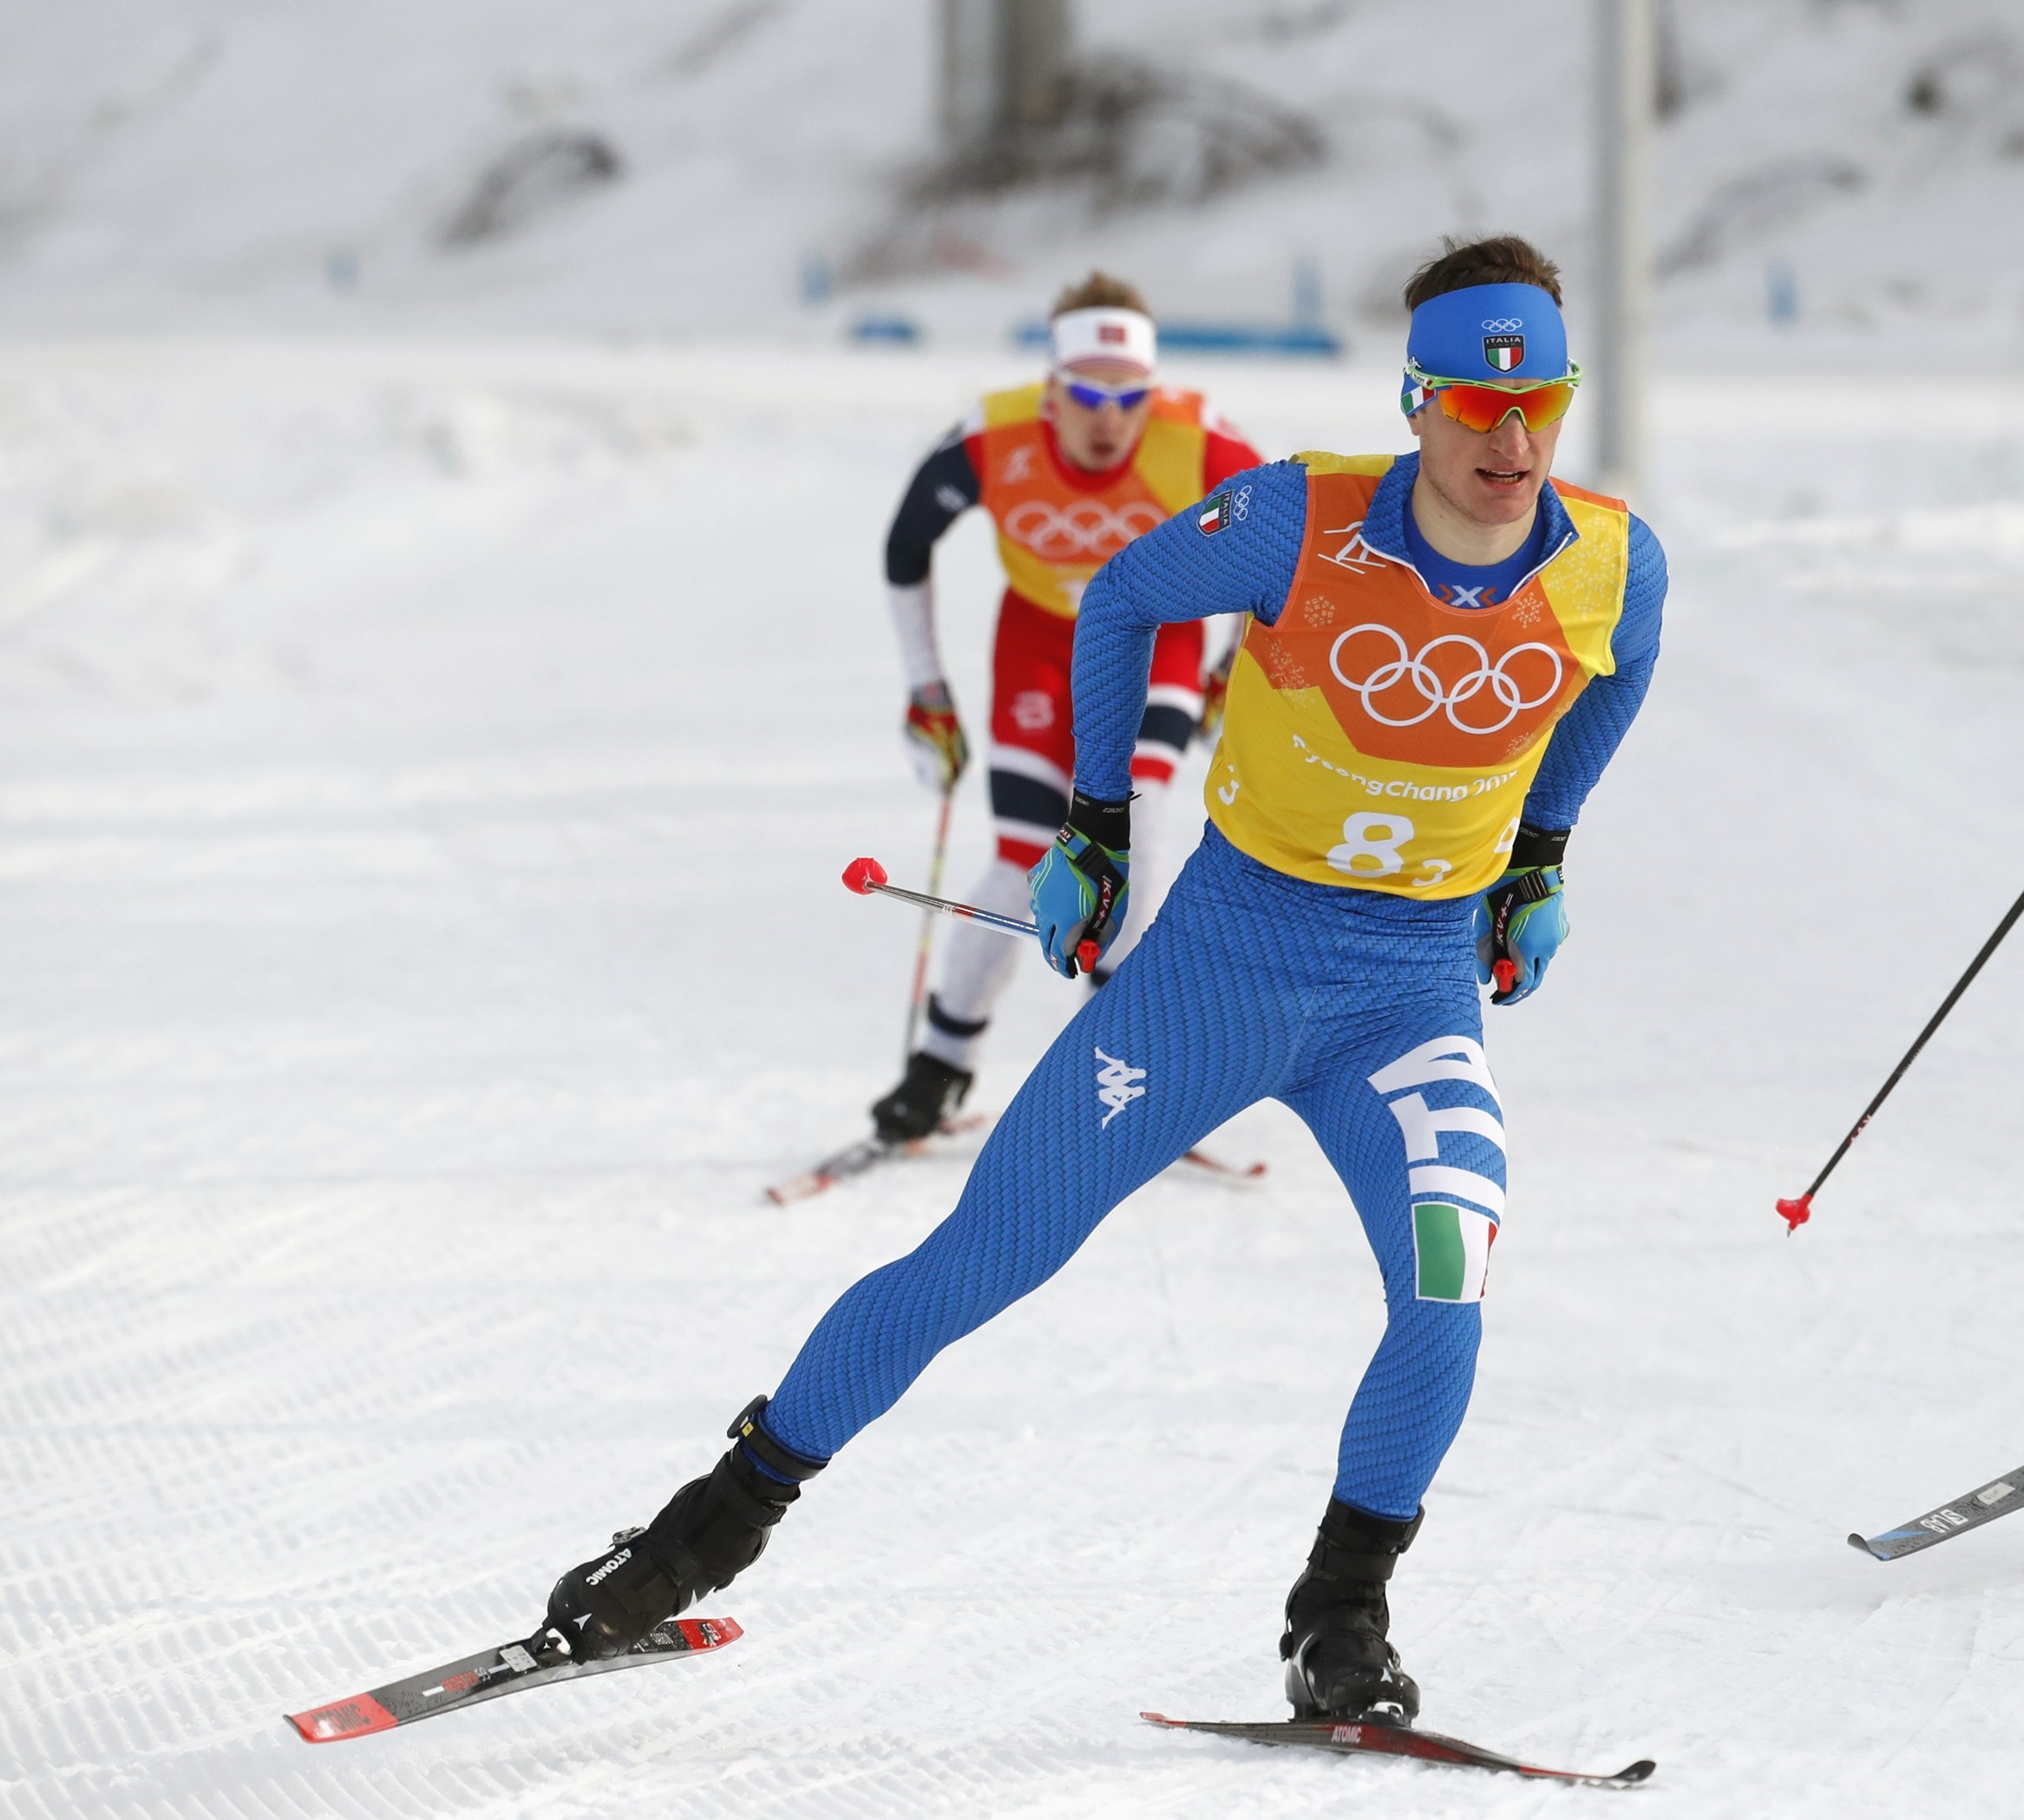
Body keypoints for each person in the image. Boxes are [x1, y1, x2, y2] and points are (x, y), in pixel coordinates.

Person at [541, 235, 1666, 1725]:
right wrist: (1092, 824)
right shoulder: (1299, 518)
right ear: (1418, 400)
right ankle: (708, 1522)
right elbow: (1125, 596)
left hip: (1410, 992)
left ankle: (1341, 1612)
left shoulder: (1610, 557)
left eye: (1540, 404)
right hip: (1220, 966)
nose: (1510, 439)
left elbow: (1625, 668)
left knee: (1446, 1293)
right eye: (1473, 403)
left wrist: (1541, 855)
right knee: (986, 1256)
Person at [871, 272, 1267, 1143]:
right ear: (1050, 389)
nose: (1106, 419)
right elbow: (905, 547)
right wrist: (925, 690)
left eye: (1127, 397)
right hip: (1041, 647)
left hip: (1152, 640)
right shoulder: (991, 435)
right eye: (1084, 395)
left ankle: (1125, 1062)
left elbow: (1280, 543)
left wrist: (1238, 658)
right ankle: (940, 1064)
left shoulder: (1198, 438)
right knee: (1023, 857)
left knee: (1142, 829)